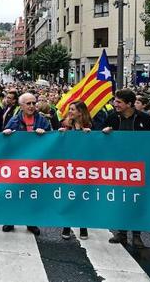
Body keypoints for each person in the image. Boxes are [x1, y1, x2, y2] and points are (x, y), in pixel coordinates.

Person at [102, 89, 150, 248]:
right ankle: (122, 233)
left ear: (129, 104)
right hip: (118, 167)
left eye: (118, 102)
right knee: (120, 200)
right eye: (114, 101)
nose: (114, 104)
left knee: (136, 200)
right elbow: (100, 139)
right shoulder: (112, 118)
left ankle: (137, 234)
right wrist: (105, 133)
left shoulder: (143, 118)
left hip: (137, 167)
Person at [2, 92, 50, 236]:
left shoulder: (42, 120)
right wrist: (7, 133)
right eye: (28, 103)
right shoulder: (15, 120)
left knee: (32, 194)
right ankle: (11, 220)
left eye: (33, 103)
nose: (31, 106)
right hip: (18, 164)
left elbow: (52, 137)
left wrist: (45, 133)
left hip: (36, 164)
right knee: (14, 193)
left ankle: (31, 222)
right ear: (21, 105)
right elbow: (4, 138)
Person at [57, 101, 91, 240]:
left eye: (72, 109)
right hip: (68, 166)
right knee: (69, 196)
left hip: (84, 167)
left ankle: (83, 227)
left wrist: (90, 134)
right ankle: (67, 226)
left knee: (82, 197)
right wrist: (61, 134)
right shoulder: (65, 125)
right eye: (69, 109)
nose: (69, 111)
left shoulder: (89, 126)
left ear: (80, 112)